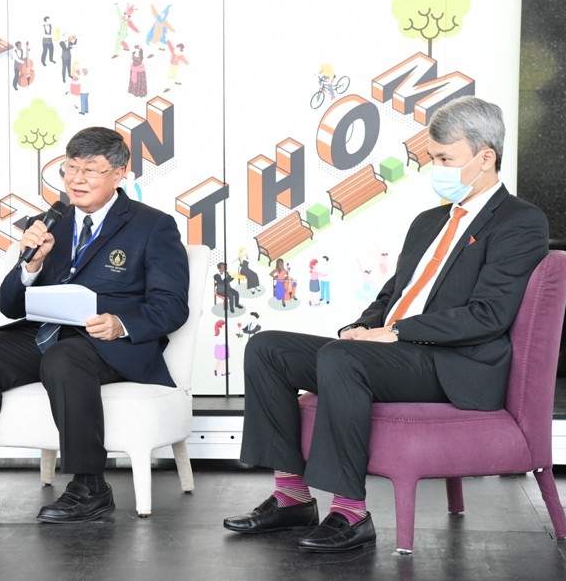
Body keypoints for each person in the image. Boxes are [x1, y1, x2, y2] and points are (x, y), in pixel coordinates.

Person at [224, 97, 549, 553]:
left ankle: (350, 513)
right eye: (433, 158)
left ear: (485, 157)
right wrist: (363, 327)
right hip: (395, 352)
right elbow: (393, 295)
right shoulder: (429, 221)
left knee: (343, 359)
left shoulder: (520, 221)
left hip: (452, 364)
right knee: (268, 348)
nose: (436, 169)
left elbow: (488, 315)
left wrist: (395, 333)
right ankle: (292, 497)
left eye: (445, 159)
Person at [0, 127, 189, 523]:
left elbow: (171, 306)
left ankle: (90, 486)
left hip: (108, 343)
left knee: (64, 358)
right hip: (45, 334)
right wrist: (31, 265)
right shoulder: (49, 223)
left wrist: (120, 323)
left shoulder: (153, 225)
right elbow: (9, 307)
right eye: (70, 168)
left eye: (90, 170)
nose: (77, 180)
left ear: (119, 173)